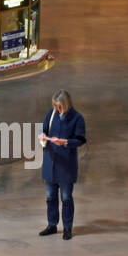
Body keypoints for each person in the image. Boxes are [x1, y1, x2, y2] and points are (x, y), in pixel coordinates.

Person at [38, 90, 86, 240]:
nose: (57, 109)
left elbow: (80, 139)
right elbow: (43, 130)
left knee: (66, 198)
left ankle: (67, 228)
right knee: (50, 196)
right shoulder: (51, 114)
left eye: (60, 106)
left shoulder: (77, 118)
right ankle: (52, 224)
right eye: (55, 106)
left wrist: (65, 142)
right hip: (51, 162)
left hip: (66, 165)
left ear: (66, 104)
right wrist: (43, 137)